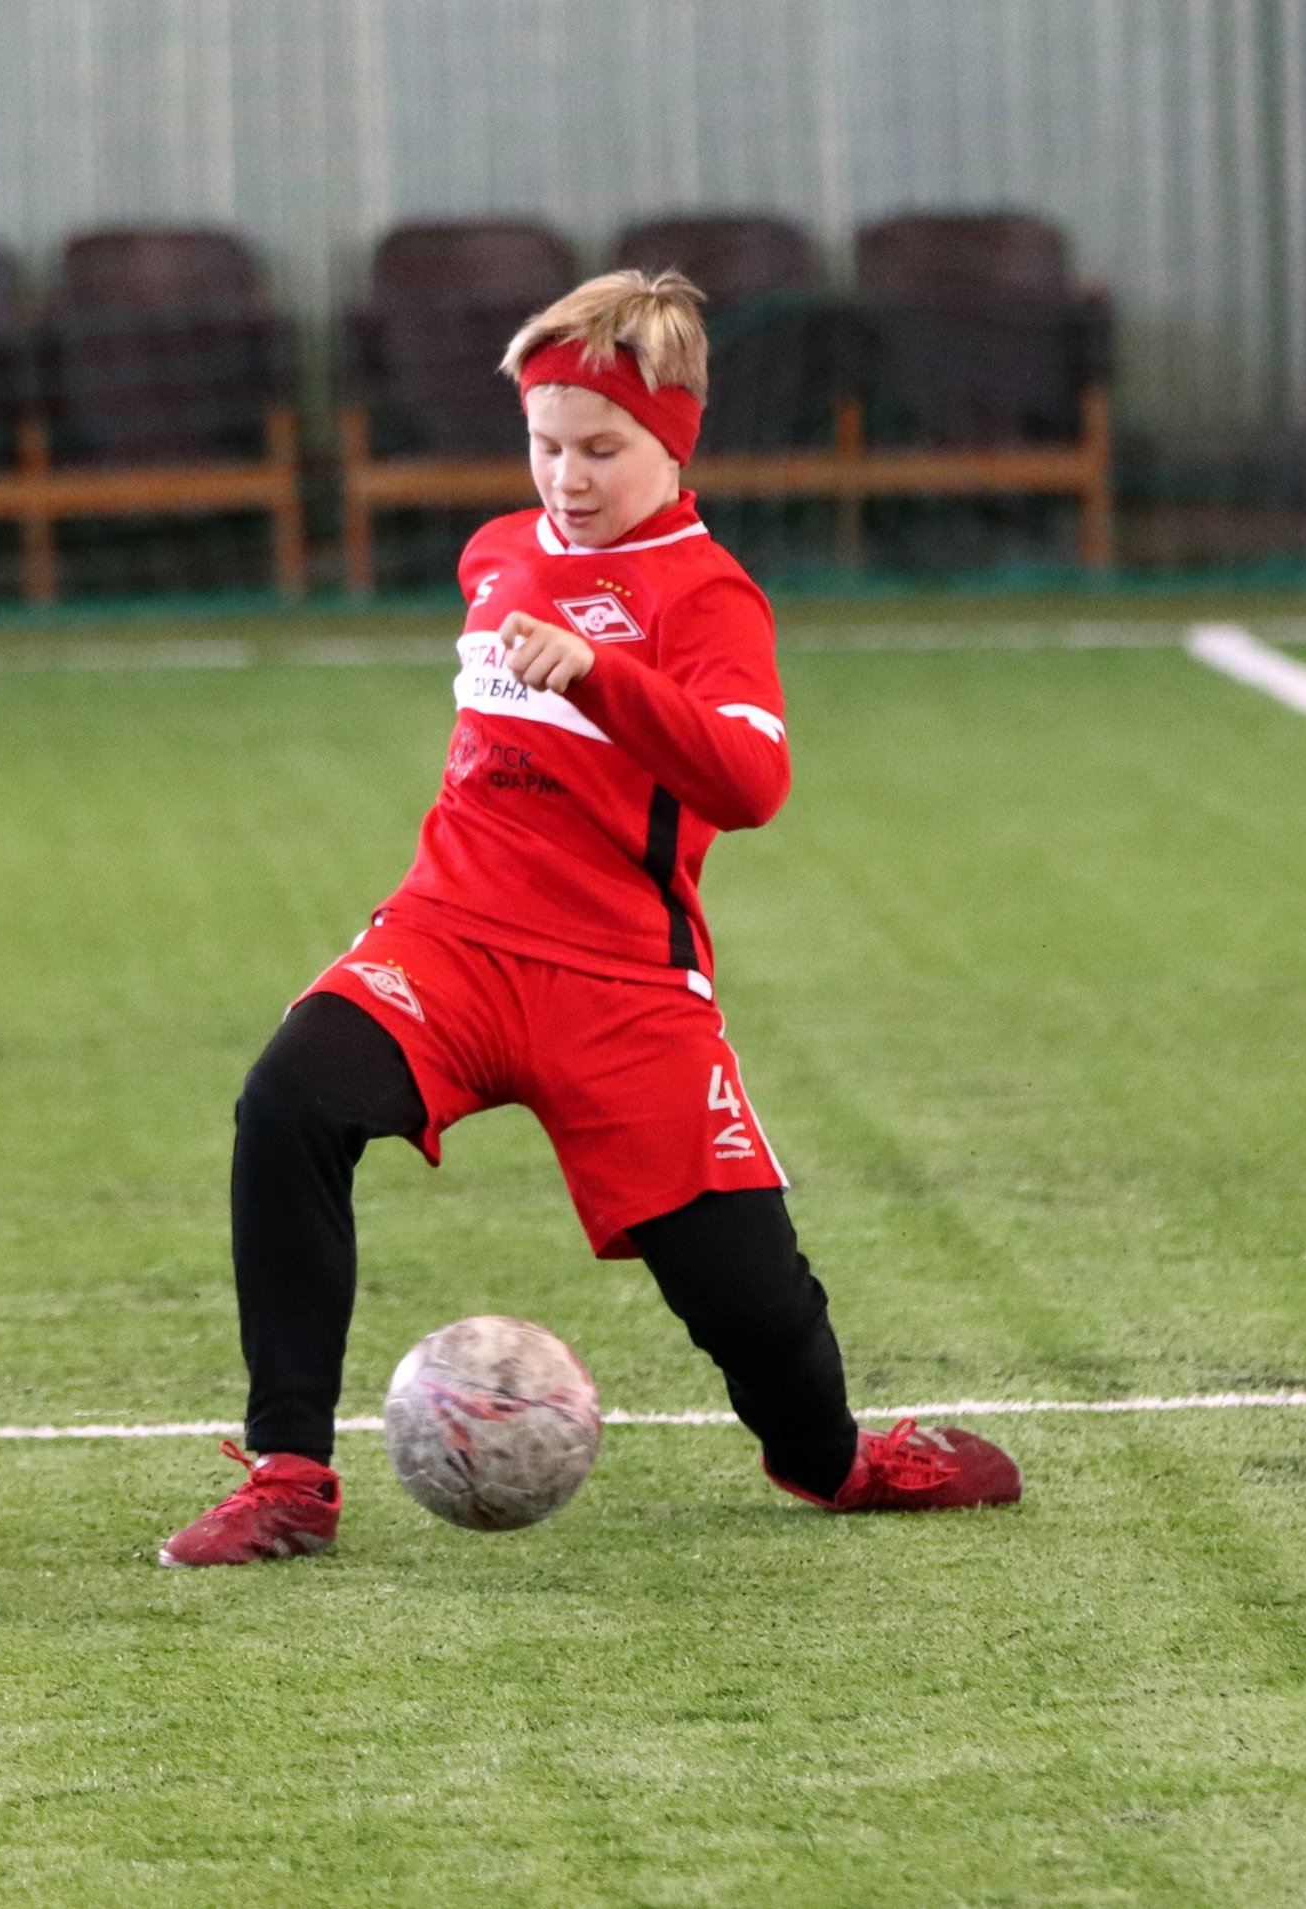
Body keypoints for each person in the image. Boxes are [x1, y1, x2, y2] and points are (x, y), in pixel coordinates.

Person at [160, 270, 1019, 1568]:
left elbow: (753, 782)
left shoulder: (706, 596)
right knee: (288, 1103)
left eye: (601, 449)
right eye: (545, 443)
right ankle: (289, 1476)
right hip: (448, 938)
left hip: (623, 981)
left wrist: (606, 678)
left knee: (754, 1305)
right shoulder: (496, 555)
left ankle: (836, 1460)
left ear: (673, 442)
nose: (566, 477)